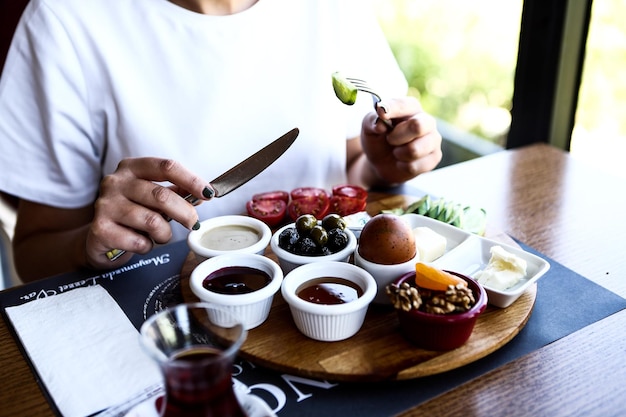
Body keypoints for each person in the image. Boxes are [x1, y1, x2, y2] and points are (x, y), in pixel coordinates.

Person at [0, 0, 442, 282]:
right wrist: (92, 245)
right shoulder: (66, 20)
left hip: (326, 286)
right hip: (169, 321)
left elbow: (344, 165)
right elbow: (35, 254)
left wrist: (383, 164)